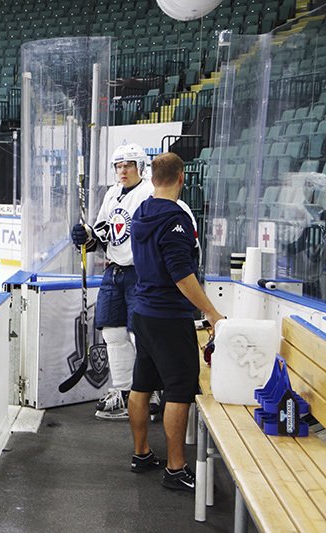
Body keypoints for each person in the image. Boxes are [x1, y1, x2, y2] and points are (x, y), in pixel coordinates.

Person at [128, 151, 224, 491]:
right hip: (168, 316)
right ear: (181, 178)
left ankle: (141, 454)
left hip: (142, 312)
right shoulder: (175, 220)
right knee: (179, 389)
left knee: (142, 383)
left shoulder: (141, 212)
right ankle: (175, 468)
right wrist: (212, 313)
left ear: (152, 179)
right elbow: (183, 275)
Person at [71, 143, 160, 420]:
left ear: (141, 167)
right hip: (114, 271)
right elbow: (103, 232)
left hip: (139, 273)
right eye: (118, 166)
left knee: (139, 335)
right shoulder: (112, 194)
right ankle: (122, 391)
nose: (123, 170)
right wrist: (86, 236)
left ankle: (150, 392)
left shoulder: (149, 194)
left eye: (128, 165)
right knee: (112, 333)